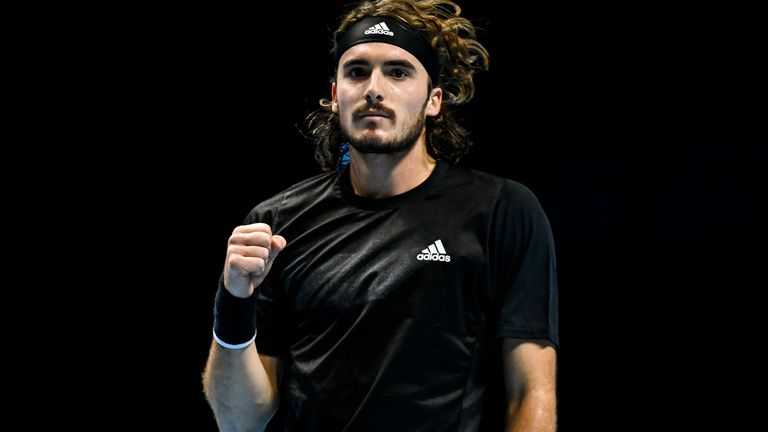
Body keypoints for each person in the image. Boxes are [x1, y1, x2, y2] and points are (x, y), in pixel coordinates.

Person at [202, 0, 559, 430]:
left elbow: (531, 393)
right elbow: (240, 420)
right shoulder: (277, 223)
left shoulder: (503, 210)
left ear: (434, 101)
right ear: (335, 97)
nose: (375, 88)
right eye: (356, 71)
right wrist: (234, 302)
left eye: (398, 72)